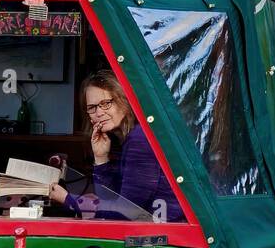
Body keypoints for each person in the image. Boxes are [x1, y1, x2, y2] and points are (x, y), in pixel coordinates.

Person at [48, 70, 185, 222]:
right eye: (92, 107)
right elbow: (110, 201)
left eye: (106, 104)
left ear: (125, 100)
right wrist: (101, 158)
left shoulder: (140, 138)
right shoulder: (126, 139)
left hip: (170, 239)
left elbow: (126, 212)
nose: (99, 112)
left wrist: (68, 200)